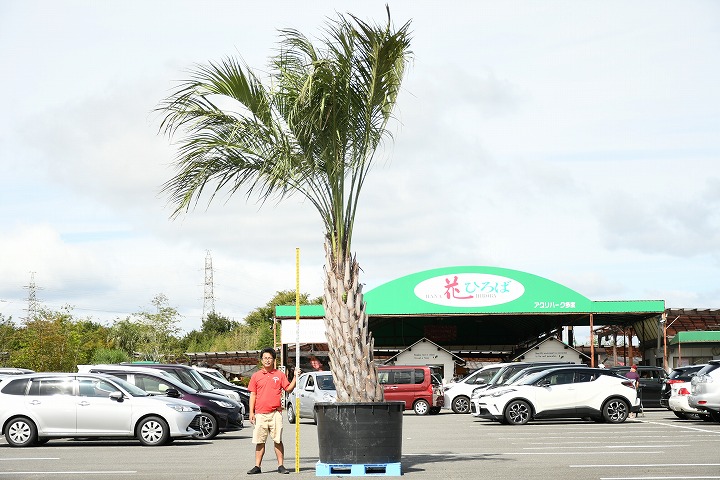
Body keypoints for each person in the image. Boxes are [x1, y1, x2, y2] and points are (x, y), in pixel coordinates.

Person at [247, 347, 300, 475]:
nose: (267, 360)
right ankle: (257, 466)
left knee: (277, 440)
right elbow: (253, 395)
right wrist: (251, 412)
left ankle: (281, 465)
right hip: (260, 414)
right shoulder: (256, 376)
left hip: (275, 413)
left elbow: (288, 389)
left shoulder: (279, 375)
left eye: (270, 358)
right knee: (260, 441)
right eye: (265, 358)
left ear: (274, 360)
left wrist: (295, 378)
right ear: (261, 360)